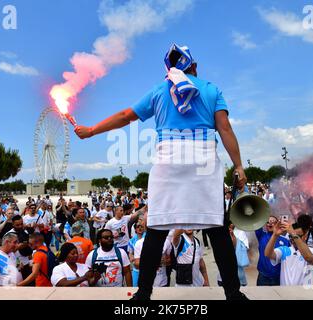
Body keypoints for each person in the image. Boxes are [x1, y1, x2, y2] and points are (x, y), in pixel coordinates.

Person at [75, 43, 248, 300]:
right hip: (205, 163)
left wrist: (91, 131)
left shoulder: (159, 90)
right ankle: (233, 294)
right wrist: (238, 165)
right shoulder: (211, 89)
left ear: (168, 70)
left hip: (169, 163)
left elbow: (125, 116)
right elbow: (225, 129)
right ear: (194, 66)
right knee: (218, 230)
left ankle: (143, 295)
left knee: (156, 230)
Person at [264, 220, 313, 287]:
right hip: (286, 294)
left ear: (305, 236)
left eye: (298, 236)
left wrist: (293, 234)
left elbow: (308, 257)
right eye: (291, 237)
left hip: (306, 294)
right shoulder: (285, 250)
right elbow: (267, 254)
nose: (294, 239)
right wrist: (275, 235)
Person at [254, 216, 290, 286]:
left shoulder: (285, 240)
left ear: (278, 224)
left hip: (278, 276)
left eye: (273, 222)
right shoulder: (261, 235)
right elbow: (256, 223)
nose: (270, 223)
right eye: (267, 222)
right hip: (263, 276)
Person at [128, 221, 146, 287]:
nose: (140, 228)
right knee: (135, 286)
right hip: (136, 267)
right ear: (135, 229)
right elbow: (130, 253)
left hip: (146, 266)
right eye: (138, 227)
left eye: (141, 227)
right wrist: (132, 257)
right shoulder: (131, 241)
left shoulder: (148, 238)